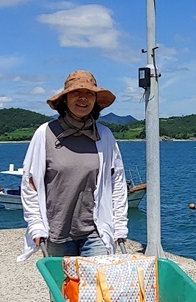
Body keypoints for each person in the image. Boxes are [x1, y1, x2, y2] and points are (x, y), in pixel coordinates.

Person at [18, 70, 128, 260]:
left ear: (95, 100)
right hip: (56, 233)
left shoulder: (105, 135)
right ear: (65, 99)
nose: (83, 99)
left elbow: (116, 182)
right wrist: (36, 224)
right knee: (62, 289)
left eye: (89, 94)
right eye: (77, 93)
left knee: (97, 288)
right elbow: (30, 184)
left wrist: (119, 226)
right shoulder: (45, 133)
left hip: (96, 233)